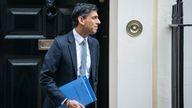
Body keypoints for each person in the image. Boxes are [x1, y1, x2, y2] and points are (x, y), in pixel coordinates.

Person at [39, 3, 101, 108]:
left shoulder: (94, 44)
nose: (98, 22)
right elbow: (45, 78)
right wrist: (66, 101)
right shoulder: (60, 43)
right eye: (94, 18)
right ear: (81, 20)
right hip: (63, 104)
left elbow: (93, 78)